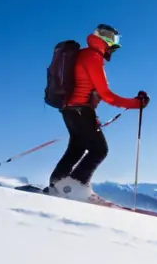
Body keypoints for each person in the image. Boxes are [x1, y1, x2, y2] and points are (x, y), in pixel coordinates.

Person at [47, 24, 149, 201]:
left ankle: (57, 184)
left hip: (69, 110)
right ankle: (75, 187)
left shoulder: (84, 54)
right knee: (99, 150)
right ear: (106, 39)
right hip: (81, 111)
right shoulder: (93, 57)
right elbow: (107, 95)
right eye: (114, 41)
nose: (115, 46)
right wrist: (136, 104)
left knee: (77, 148)